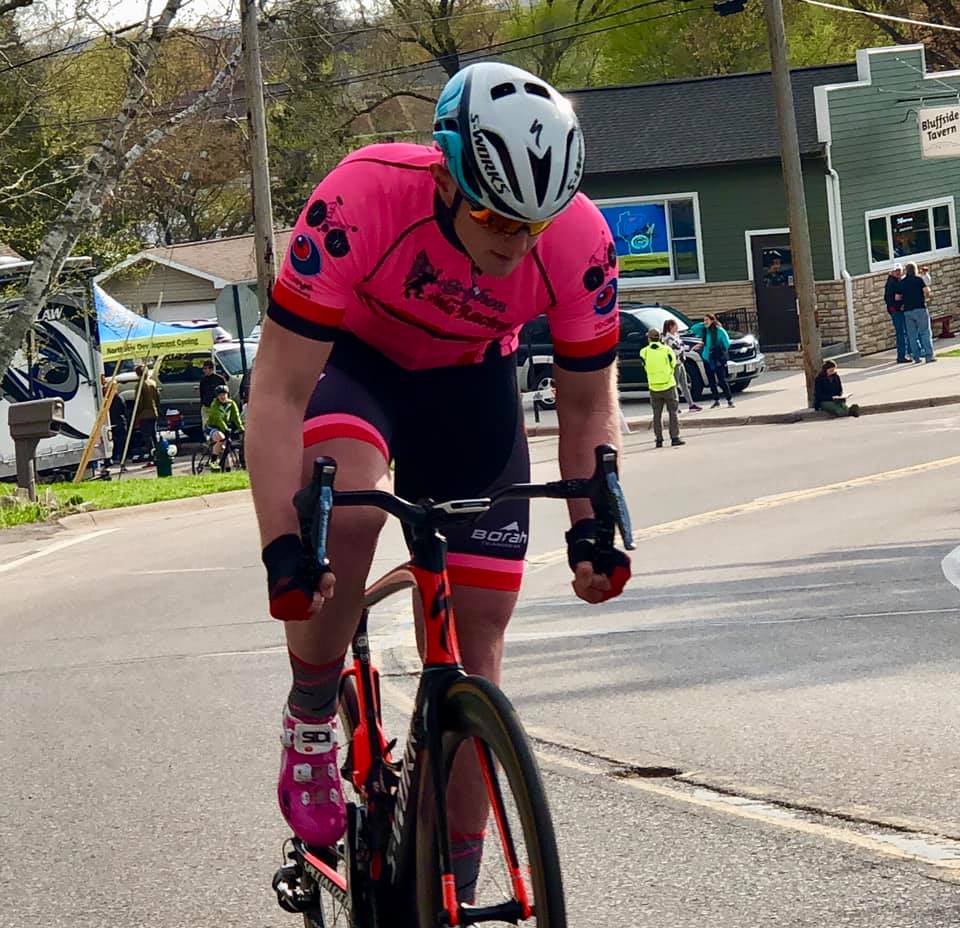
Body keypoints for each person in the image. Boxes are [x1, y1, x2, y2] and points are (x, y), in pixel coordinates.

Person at [244, 61, 632, 906]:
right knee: (349, 512)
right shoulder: (363, 197)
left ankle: (449, 879)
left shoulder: (580, 243)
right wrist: (283, 545)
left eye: (535, 222)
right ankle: (311, 713)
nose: (516, 242)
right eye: (496, 215)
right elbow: (276, 390)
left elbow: (586, 405)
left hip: (470, 385)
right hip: (356, 368)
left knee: (477, 652)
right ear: (448, 176)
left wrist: (592, 526)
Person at [640, 328, 684, 447]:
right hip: (668, 385)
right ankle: (674, 437)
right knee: (673, 412)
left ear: (649, 339)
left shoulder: (644, 352)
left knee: (657, 414)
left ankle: (658, 439)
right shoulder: (667, 350)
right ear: (660, 338)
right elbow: (673, 364)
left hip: (654, 386)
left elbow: (644, 365)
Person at [688, 313, 734, 408]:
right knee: (711, 381)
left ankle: (729, 399)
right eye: (704, 320)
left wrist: (720, 350)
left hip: (717, 359)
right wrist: (704, 324)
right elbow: (693, 328)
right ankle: (716, 400)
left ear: (712, 320)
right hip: (707, 358)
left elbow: (726, 343)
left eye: (707, 320)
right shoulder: (705, 331)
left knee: (721, 380)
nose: (705, 322)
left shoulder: (719, 331)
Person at [898, 262, 935, 364]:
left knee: (912, 335)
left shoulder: (902, 282)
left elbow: (897, 297)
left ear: (906, 270)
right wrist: (928, 294)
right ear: (915, 269)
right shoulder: (919, 280)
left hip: (908, 311)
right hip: (920, 308)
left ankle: (916, 357)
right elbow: (926, 291)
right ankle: (929, 356)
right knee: (925, 332)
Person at [662, 318, 702, 412]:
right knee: (674, 385)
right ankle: (674, 406)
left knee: (684, 384)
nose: (677, 327)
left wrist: (690, 348)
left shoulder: (675, 336)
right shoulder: (668, 338)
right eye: (675, 325)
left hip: (680, 362)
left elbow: (682, 346)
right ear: (671, 326)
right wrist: (689, 348)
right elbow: (677, 349)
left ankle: (691, 404)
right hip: (674, 364)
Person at [206, 384, 244, 470]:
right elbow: (219, 419)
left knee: (226, 447)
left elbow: (236, 417)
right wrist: (226, 429)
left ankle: (227, 469)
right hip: (213, 427)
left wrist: (241, 428)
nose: (222, 397)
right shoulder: (214, 405)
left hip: (224, 427)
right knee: (221, 438)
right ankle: (213, 460)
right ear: (217, 396)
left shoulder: (231, 403)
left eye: (224, 394)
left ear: (227, 394)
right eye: (220, 395)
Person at [132, 364, 160, 462]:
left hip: (144, 414)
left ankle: (152, 455)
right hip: (153, 412)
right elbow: (157, 397)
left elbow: (139, 401)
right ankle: (158, 453)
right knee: (153, 434)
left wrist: (137, 414)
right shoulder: (153, 383)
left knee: (147, 435)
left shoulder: (140, 385)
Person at [884, 263, 909, 363]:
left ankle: (905, 354)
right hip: (896, 311)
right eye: (896, 271)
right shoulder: (892, 283)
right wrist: (898, 306)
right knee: (901, 333)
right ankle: (901, 356)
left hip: (898, 310)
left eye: (899, 270)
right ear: (893, 272)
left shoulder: (896, 281)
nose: (898, 272)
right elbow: (891, 298)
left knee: (903, 332)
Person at [101, 373, 128, 464]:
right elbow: (124, 410)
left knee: (117, 441)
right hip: (119, 421)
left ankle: (116, 457)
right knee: (120, 441)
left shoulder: (109, 399)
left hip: (114, 421)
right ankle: (120, 457)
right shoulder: (119, 398)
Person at [199, 359, 227, 425]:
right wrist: (203, 403)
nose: (204, 370)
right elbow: (202, 393)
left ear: (211, 369)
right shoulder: (203, 380)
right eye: (203, 368)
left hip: (217, 407)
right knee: (206, 425)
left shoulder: (220, 379)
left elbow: (226, 393)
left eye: (205, 368)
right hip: (206, 407)